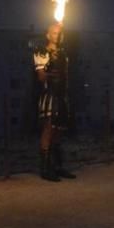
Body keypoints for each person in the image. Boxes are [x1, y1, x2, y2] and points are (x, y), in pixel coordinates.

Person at [33, 22, 76, 182]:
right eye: (54, 33)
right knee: (48, 130)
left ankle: (57, 166)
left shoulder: (63, 54)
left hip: (62, 95)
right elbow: (41, 76)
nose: (57, 36)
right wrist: (50, 72)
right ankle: (45, 169)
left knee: (59, 131)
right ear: (48, 35)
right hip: (49, 94)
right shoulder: (42, 52)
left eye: (59, 33)